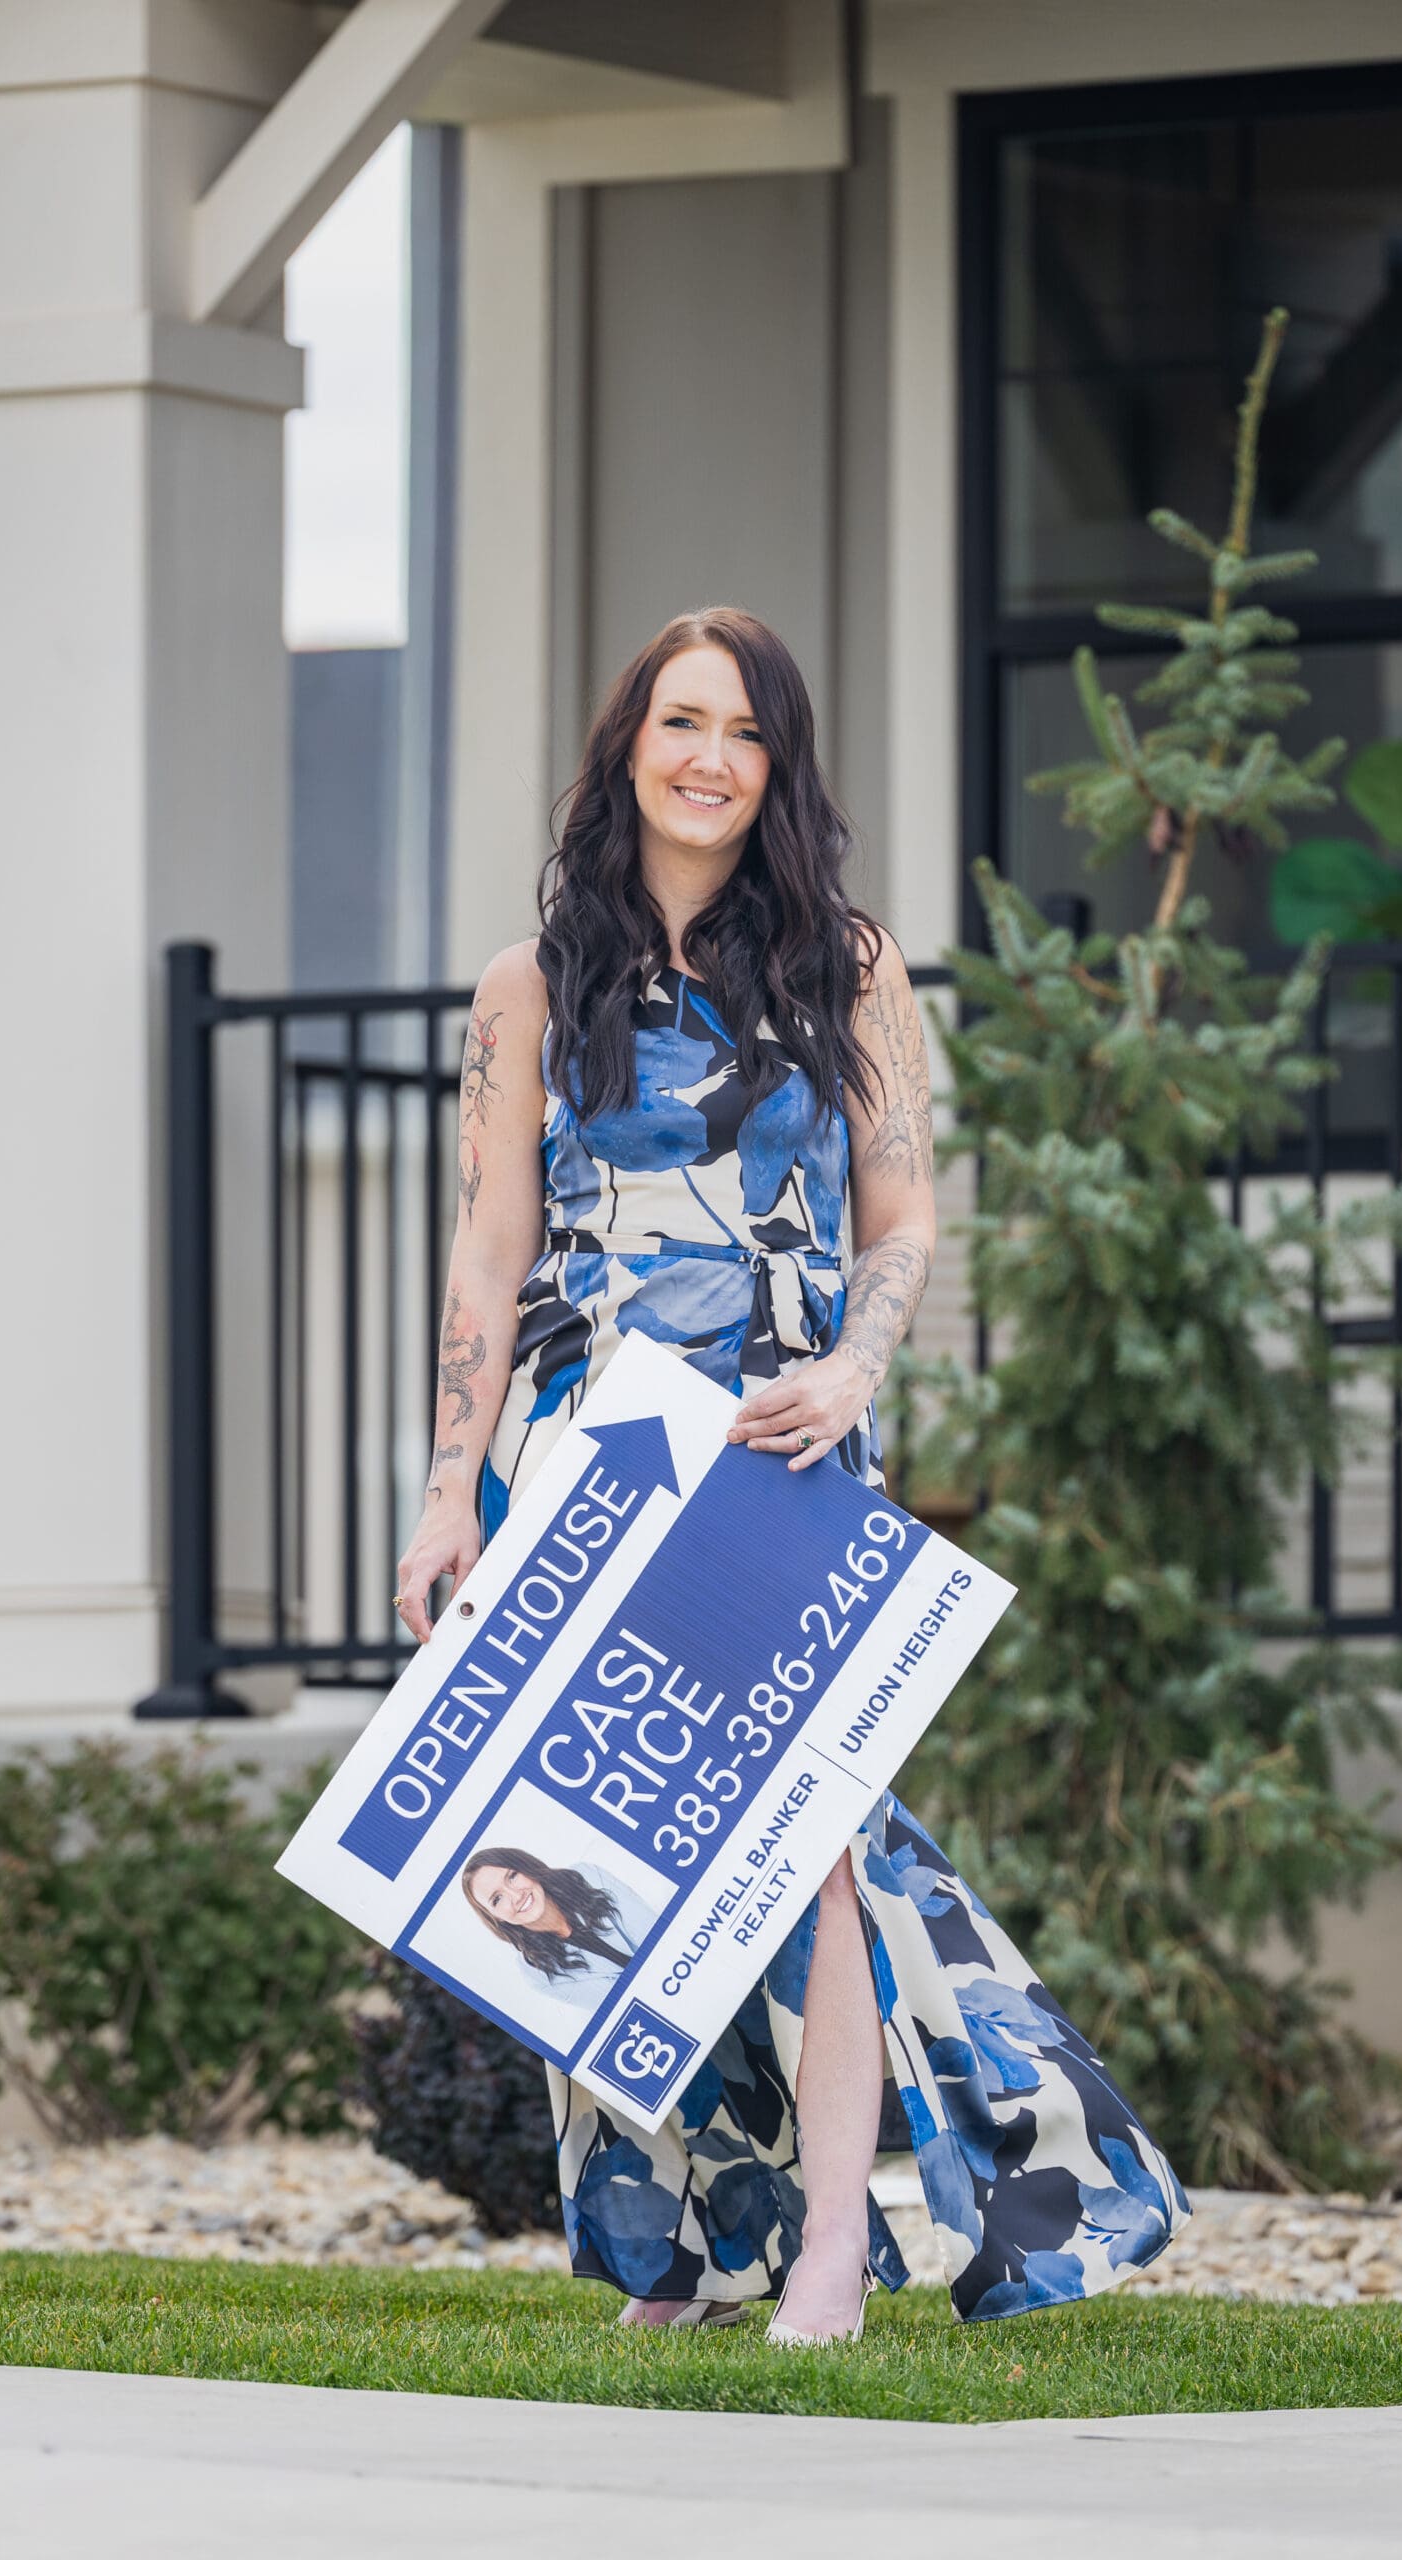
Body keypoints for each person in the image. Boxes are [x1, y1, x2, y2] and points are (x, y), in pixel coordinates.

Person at [393, 607, 1189, 2342]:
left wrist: (852, 1365)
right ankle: (677, 2250)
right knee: (597, 1845)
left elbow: (902, 1219)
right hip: (580, 1451)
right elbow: (485, 1248)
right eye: (678, 722)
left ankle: (831, 2238)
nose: (706, 757)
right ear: (624, 750)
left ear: (778, 768)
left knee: (812, 1843)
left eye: (743, 733)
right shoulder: (526, 989)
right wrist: (451, 1487)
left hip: (783, 1436)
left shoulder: (851, 966)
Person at [459, 1846, 659, 2011]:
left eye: (512, 1876)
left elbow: (657, 1938)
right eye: (497, 1898)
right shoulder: (536, 1972)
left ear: (526, 1867)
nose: (516, 1895)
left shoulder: (585, 1876)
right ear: (495, 1917)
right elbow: (621, 2004)